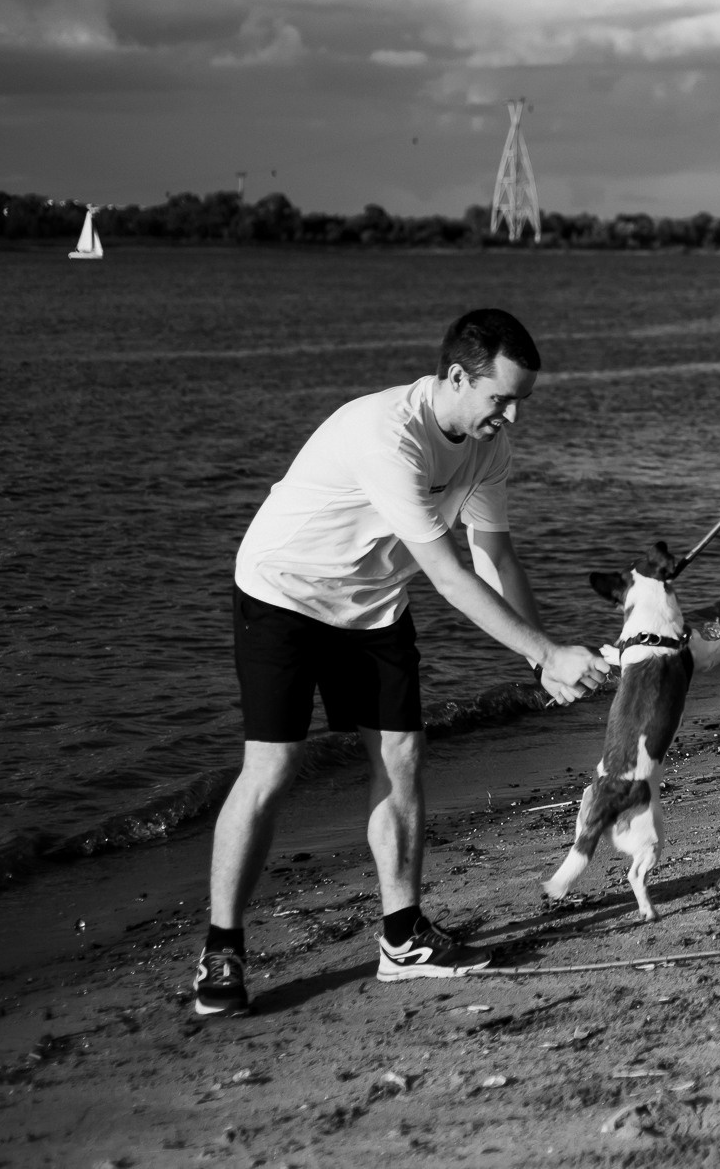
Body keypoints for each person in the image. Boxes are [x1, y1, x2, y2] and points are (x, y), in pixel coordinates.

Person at [194, 309, 610, 1017]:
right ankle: (222, 949)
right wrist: (543, 651)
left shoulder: (486, 446)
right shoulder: (387, 435)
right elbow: (449, 578)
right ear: (456, 376)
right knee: (273, 766)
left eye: (520, 403)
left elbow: (494, 554)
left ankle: (401, 939)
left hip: (373, 605)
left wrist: (541, 658)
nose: (510, 417)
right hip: (284, 591)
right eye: (500, 399)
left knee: (402, 757)